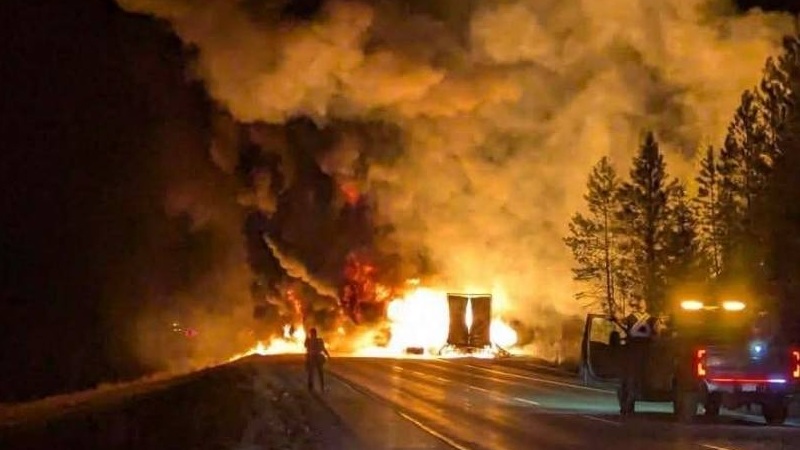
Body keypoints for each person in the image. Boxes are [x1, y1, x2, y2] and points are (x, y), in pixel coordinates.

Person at [304, 327, 331, 392]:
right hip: (317, 358)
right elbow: (323, 348)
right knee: (319, 373)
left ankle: (311, 387)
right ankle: (321, 387)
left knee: (312, 373)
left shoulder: (309, 340)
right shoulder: (319, 340)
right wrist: (327, 355)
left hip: (312, 358)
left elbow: (305, 346)